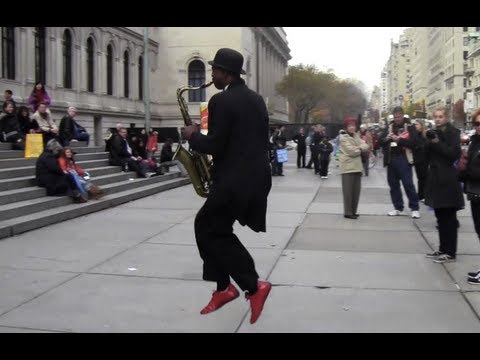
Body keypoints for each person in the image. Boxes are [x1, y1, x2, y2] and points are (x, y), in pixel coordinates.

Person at [181, 48, 272, 324]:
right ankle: (224, 287)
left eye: (214, 71)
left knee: (209, 228)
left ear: (225, 73)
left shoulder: (222, 100)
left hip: (234, 181)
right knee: (212, 227)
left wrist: (193, 136)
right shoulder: (256, 100)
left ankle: (250, 286)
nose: (211, 76)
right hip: (254, 180)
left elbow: (216, 144)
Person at [424, 107, 464, 264]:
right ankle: (442, 248)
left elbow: (452, 155)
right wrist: (426, 140)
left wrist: (436, 142)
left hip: (448, 179)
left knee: (449, 217)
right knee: (440, 215)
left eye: (440, 116)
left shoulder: (453, 133)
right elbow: (426, 155)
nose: (438, 119)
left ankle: (450, 252)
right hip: (435, 179)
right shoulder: (433, 132)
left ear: (446, 117)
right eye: (435, 117)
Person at [380, 106, 420, 219]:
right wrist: (387, 138)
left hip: (403, 158)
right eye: (395, 117)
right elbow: (380, 141)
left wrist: (400, 140)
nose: (397, 119)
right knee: (393, 185)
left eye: (399, 116)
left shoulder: (410, 127)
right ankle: (398, 207)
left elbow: (415, 143)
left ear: (403, 115)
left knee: (408, 184)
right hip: (391, 158)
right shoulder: (389, 126)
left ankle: (414, 208)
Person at [459, 108, 480, 283]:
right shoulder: (475, 142)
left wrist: (468, 171)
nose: (479, 127)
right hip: (474, 193)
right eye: (477, 124)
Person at [338, 117, 370, 219]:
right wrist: (360, 148)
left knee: (356, 191)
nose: (352, 127)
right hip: (347, 168)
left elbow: (366, 146)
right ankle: (348, 212)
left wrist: (358, 148)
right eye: (349, 126)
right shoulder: (343, 138)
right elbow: (351, 151)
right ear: (346, 127)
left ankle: (353, 211)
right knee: (348, 192)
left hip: (357, 167)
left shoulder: (357, 136)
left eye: (353, 125)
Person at [410, 118, 428, 202]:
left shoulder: (425, 134)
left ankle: (424, 195)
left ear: (421, 125)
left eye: (417, 124)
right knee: (420, 178)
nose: (415, 126)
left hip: (424, 160)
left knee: (424, 178)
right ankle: (421, 195)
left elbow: (424, 145)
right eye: (415, 124)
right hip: (417, 159)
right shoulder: (415, 134)